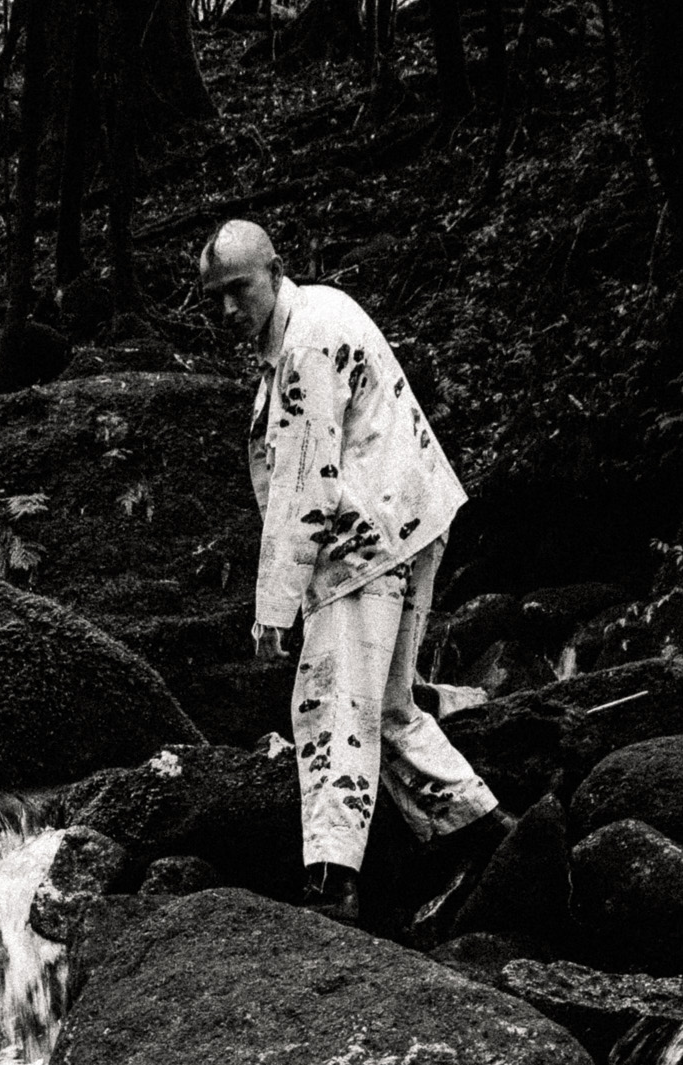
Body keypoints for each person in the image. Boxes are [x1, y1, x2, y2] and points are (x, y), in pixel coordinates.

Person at [199, 217, 507, 928]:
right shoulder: (314, 314)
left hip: (368, 544)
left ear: (275, 270)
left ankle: (331, 884)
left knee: (330, 704)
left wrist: (273, 606)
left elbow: (305, 482)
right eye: (215, 296)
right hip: (408, 522)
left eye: (238, 289)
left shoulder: (307, 341)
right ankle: (488, 831)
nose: (228, 309)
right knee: (389, 708)